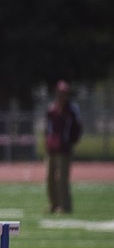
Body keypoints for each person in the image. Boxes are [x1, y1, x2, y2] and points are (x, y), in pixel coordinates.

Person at [44, 80, 83, 214]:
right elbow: (48, 128)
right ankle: (54, 204)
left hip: (64, 149)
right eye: (60, 93)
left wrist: (70, 141)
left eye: (64, 93)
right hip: (52, 148)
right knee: (49, 177)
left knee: (62, 178)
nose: (61, 96)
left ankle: (64, 205)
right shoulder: (52, 108)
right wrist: (48, 141)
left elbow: (77, 128)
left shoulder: (72, 109)